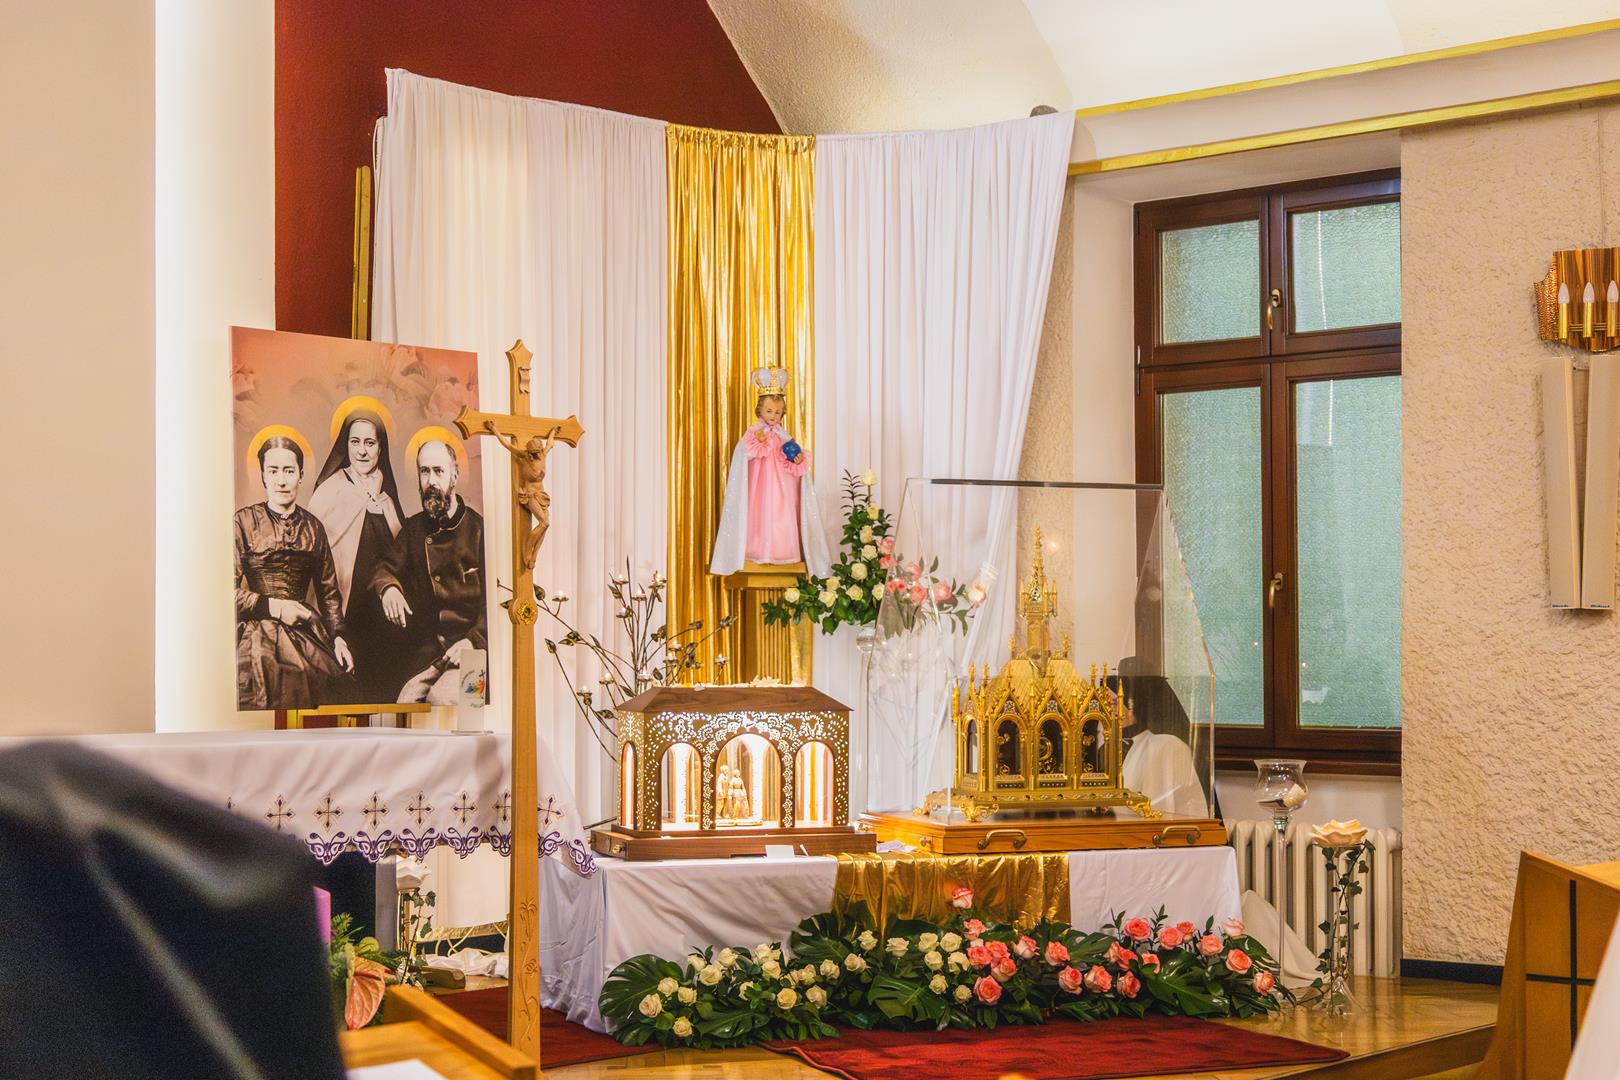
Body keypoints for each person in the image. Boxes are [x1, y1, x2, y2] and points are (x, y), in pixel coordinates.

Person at [235, 433, 356, 709]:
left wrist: (339, 638)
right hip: (256, 631)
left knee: (333, 683)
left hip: (305, 629)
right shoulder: (243, 522)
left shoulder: (313, 527)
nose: (281, 480)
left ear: (301, 476)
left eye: (289, 471)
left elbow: (329, 592)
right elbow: (222, 593)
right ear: (263, 476)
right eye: (273, 471)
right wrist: (276, 607)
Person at [371, 439, 487, 704]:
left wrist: (473, 640)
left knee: (443, 701)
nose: (431, 481)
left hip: (477, 651)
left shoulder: (480, 530)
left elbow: (497, 604)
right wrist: (388, 588)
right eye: (425, 471)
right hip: (434, 650)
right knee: (404, 705)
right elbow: (384, 567)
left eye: (438, 471)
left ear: (454, 475)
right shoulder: (414, 529)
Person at [309, 409, 405, 701]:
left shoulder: (387, 497)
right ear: (346, 445)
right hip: (345, 613)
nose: (362, 451)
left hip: (385, 616)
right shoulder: (330, 491)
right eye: (355, 442)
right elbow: (312, 559)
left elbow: (402, 557)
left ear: (380, 447)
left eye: (370, 443)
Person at [709, 365, 831, 576]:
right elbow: (744, 453)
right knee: (761, 512)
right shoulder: (754, 431)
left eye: (777, 412)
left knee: (782, 511)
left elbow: (792, 456)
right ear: (760, 410)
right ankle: (757, 549)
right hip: (760, 483)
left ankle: (783, 550)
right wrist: (756, 441)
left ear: (782, 412)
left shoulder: (783, 434)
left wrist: (797, 459)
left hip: (783, 485)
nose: (773, 416)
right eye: (769, 411)